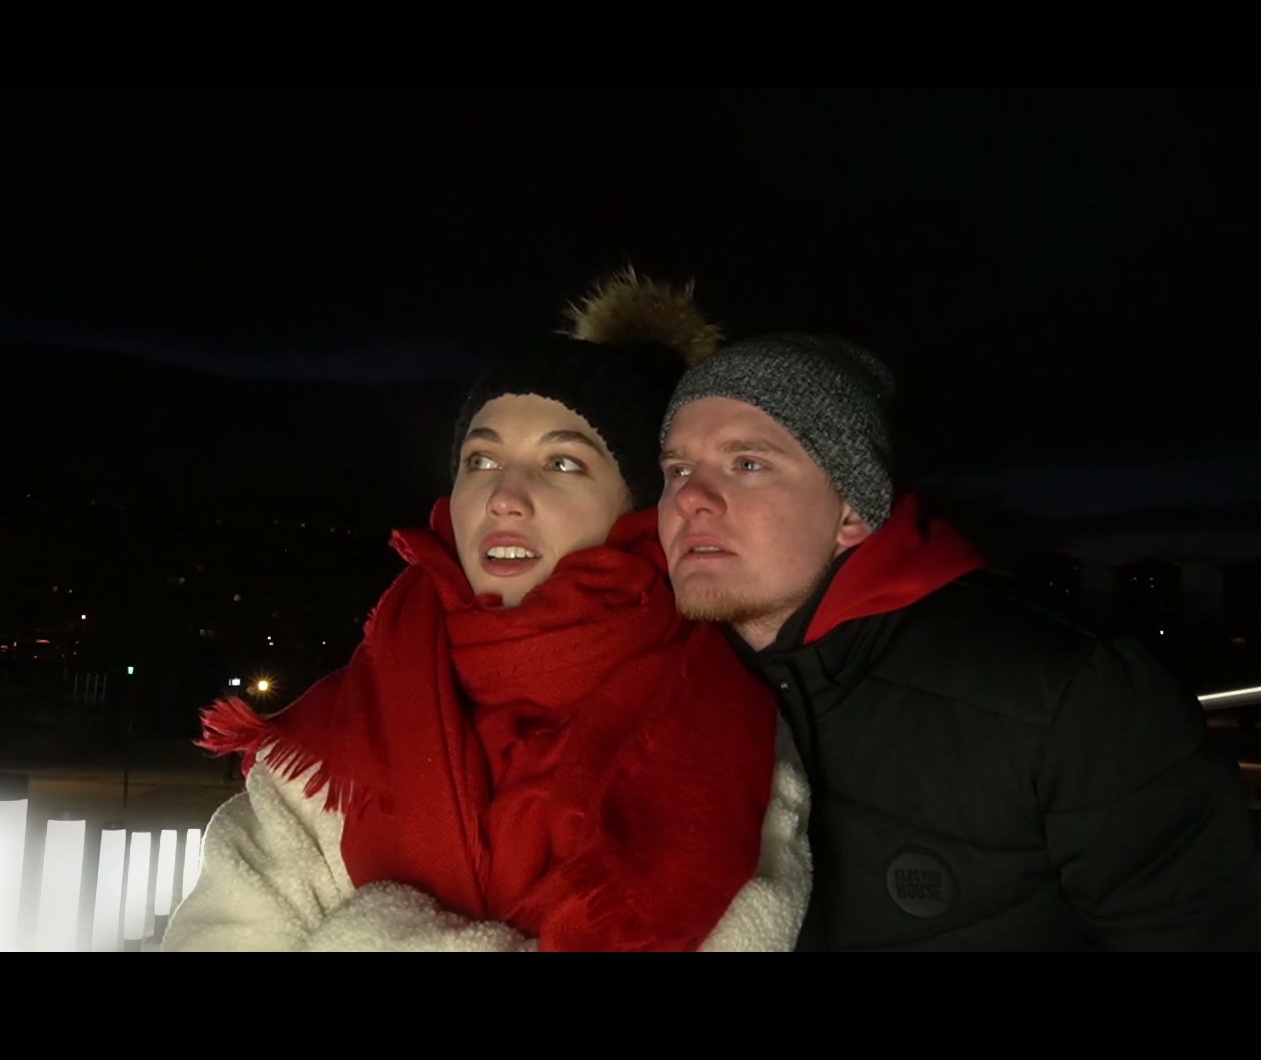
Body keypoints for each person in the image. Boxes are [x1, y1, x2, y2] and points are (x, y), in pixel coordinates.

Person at [162, 272, 811, 952]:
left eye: (562, 464)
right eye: (481, 459)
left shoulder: (719, 731)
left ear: (641, 507)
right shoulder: (341, 728)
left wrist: (367, 931)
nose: (504, 495)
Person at [655, 331, 1261, 951]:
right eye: (678, 469)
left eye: (748, 464)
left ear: (852, 510)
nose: (691, 498)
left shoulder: (1069, 695)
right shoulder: (662, 684)